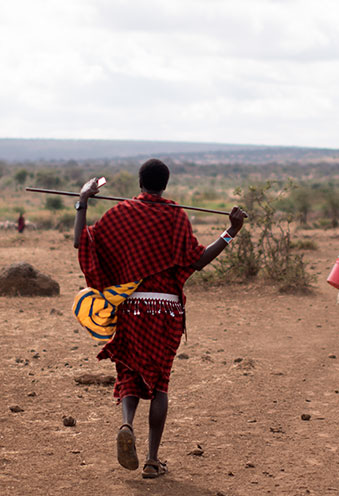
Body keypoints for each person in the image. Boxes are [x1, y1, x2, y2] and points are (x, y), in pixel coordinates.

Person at [73, 160, 245, 479]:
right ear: (165, 184)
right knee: (159, 382)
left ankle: (126, 424)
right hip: (166, 313)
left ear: (139, 181)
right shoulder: (175, 216)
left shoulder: (119, 214)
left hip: (132, 309)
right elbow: (199, 261)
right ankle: (152, 460)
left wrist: (82, 202)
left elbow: (82, 243)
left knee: (128, 370)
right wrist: (231, 231)